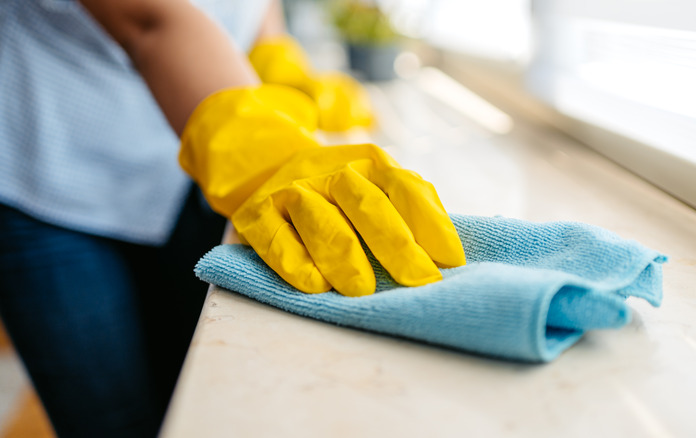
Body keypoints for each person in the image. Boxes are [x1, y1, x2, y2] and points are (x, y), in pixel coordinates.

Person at [0, 0, 465, 436]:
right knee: (117, 418)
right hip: (49, 171)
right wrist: (263, 153)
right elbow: (148, 19)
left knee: (196, 389)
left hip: (177, 160)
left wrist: (271, 53)